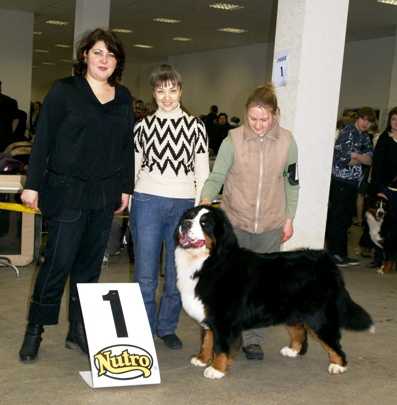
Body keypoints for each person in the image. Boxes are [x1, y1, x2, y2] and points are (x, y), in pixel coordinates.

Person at [18, 28, 134, 363]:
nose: (104, 59)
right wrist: (33, 183)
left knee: (88, 268)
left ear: (117, 62)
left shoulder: (123, 97)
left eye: (110, 54)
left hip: (105, 193)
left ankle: (78, 330)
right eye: (98, 52)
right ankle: (34, 331)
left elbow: (127, 146)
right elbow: (43, 140)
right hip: (67, 190)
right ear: (85, 55)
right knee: (57, 263)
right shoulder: (63, 91)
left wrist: (126, 187)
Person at [200, 83, 299, 361]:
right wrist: (207, 198)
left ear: (275, 115)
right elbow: (217, 176)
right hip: (235, 223)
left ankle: (253, 340)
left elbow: (292, 183)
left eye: (263, 119)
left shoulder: (288, 142)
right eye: (252, 118)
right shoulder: (232, 139)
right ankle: (228, 334)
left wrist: (289, 218)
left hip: (271, 224)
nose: (257, 124)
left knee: (262, 288)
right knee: (230, 286)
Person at [131, 64, 209, 350]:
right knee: (145, 274)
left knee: (177, 274)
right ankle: (144, 329)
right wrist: (129, 200)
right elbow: (134, 169)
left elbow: (202, 172)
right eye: (160, 90)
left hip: (183, 206)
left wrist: (199, 209)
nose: (166, 97)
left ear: (180, 91)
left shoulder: (195, 126)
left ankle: (166, 327)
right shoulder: (142, 127)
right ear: (153, 93)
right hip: (147, 202)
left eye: (172, 90)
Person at [326, 107, 375, 267]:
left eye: (369, 121)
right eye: (363, 119)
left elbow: (369, 160)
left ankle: (342, 255)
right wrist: (358, 157)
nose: (365, 123)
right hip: (340, 181)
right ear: (358, 118)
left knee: (346, 220)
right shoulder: (347, 132)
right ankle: (333, 254)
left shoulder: (366, 137)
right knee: (337, 219)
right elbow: (343, 159)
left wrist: (356, 156)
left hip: (353, 183)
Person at [0, 80, 18, 152]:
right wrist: (10, 133)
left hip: (5, 137)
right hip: (6, 138)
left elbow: (16, 119)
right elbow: (16, 120)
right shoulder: (11, 101)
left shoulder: (10, 101)